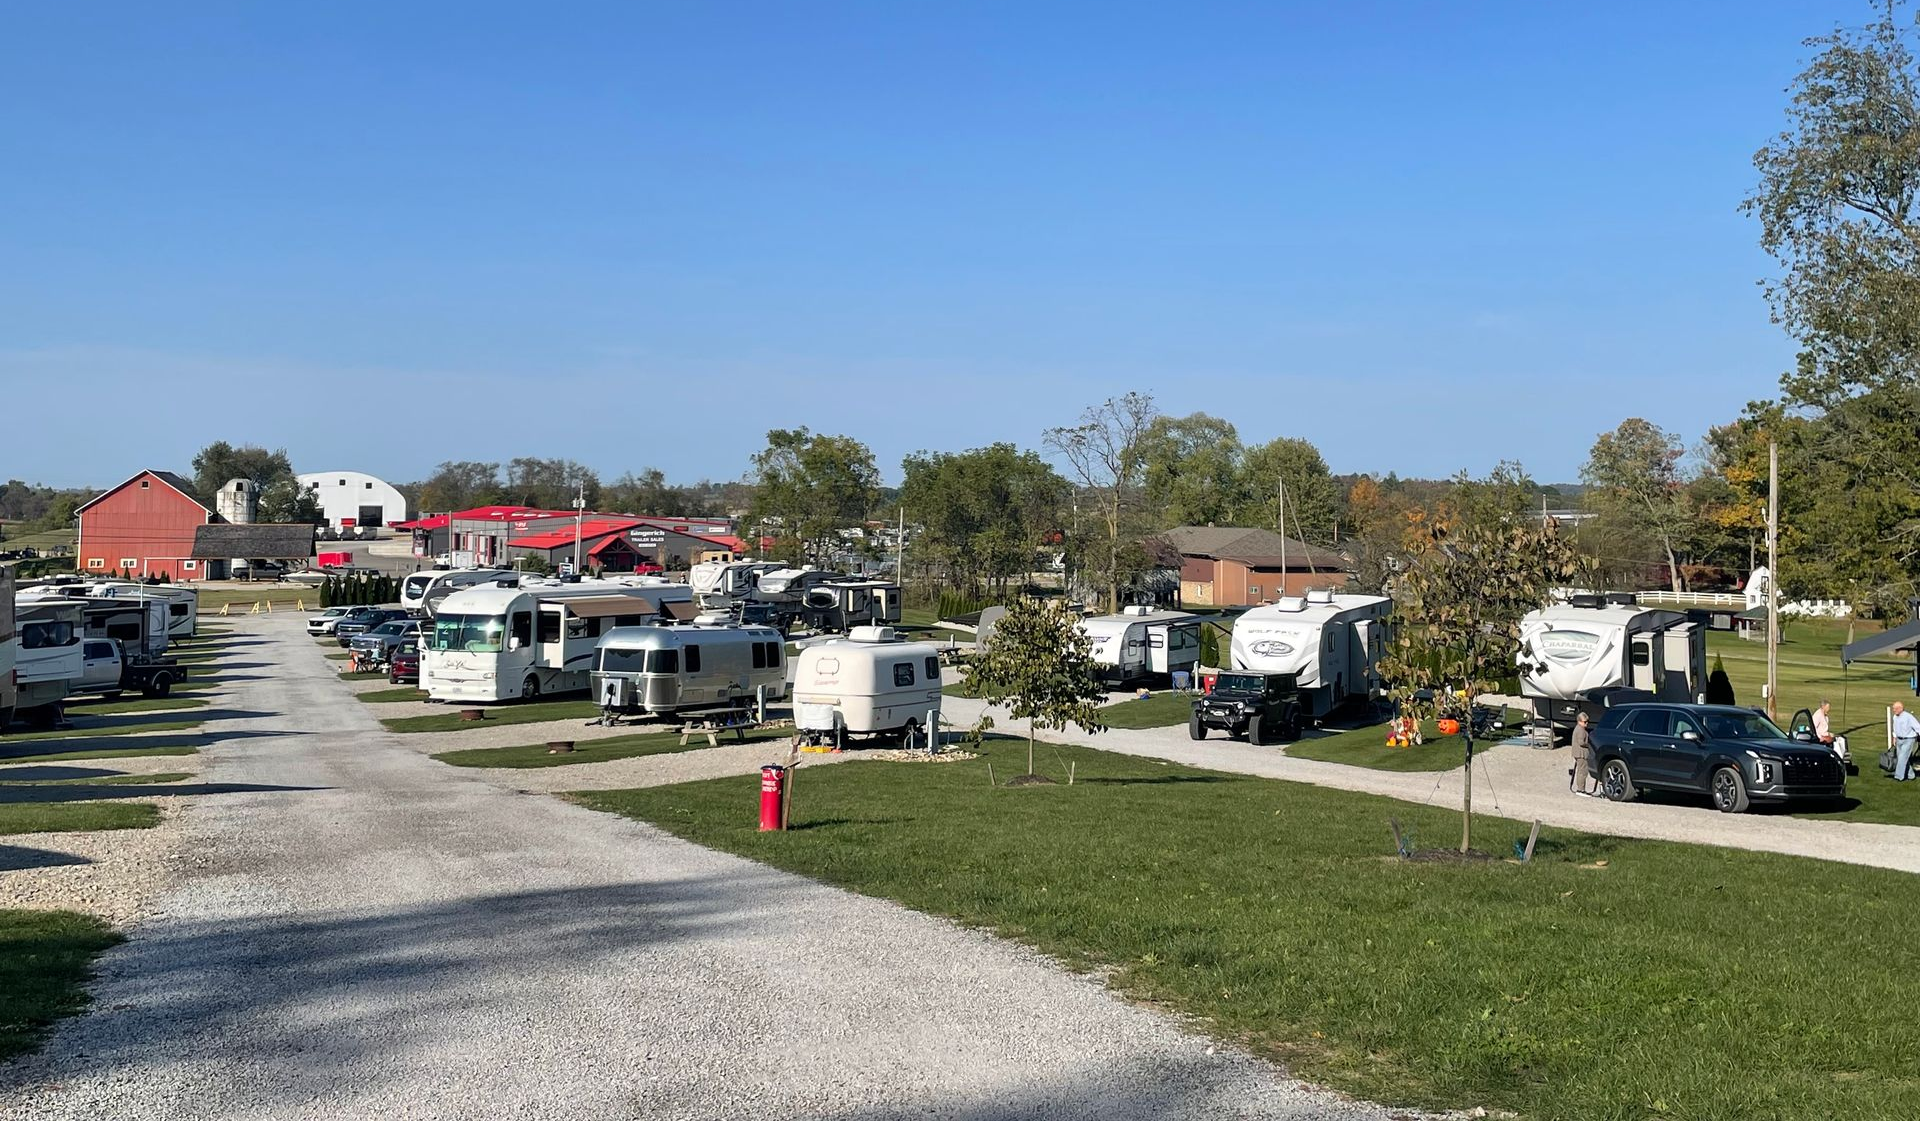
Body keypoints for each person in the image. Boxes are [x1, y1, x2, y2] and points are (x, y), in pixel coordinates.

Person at [1812, 700, 1849, 766]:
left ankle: (1842, 757)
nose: (1829, 709)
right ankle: (1838, 759)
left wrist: (1829, 734)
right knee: (1836, 742)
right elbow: (1813, 728)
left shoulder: (1825, 715)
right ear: (1823, 707)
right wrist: (1820, 737)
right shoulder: (1818, 715)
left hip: (1825, 734)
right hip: (1820, 737)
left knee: (1842, 739)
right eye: (1828, 707)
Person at [1893, 702, 1920, 781]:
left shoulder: (1908, 717)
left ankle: (1898, 777)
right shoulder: (1895, 717)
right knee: (1902, 758)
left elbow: (1917, 727)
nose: (1894, 710)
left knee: (1902, 758)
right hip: (1899, 739)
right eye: (1893, 708)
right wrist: (1894, 737)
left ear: (1901, 708)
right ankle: (1911, 775)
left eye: (1895, 708)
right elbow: (1895, 728)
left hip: (1909, 739)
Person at [1570, 711, 1595, 796]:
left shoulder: (1578, 728)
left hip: (1579, 753)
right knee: (1582, 772)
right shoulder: (1580, 730)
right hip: (1581, 753)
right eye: (1585, 722)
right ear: (1579, 721)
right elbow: (1581, 742)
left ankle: (1580, 789)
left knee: (1581, 771)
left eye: (1587, 721)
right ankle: (1581, 790)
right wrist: (1589, 745)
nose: (1586, 723)